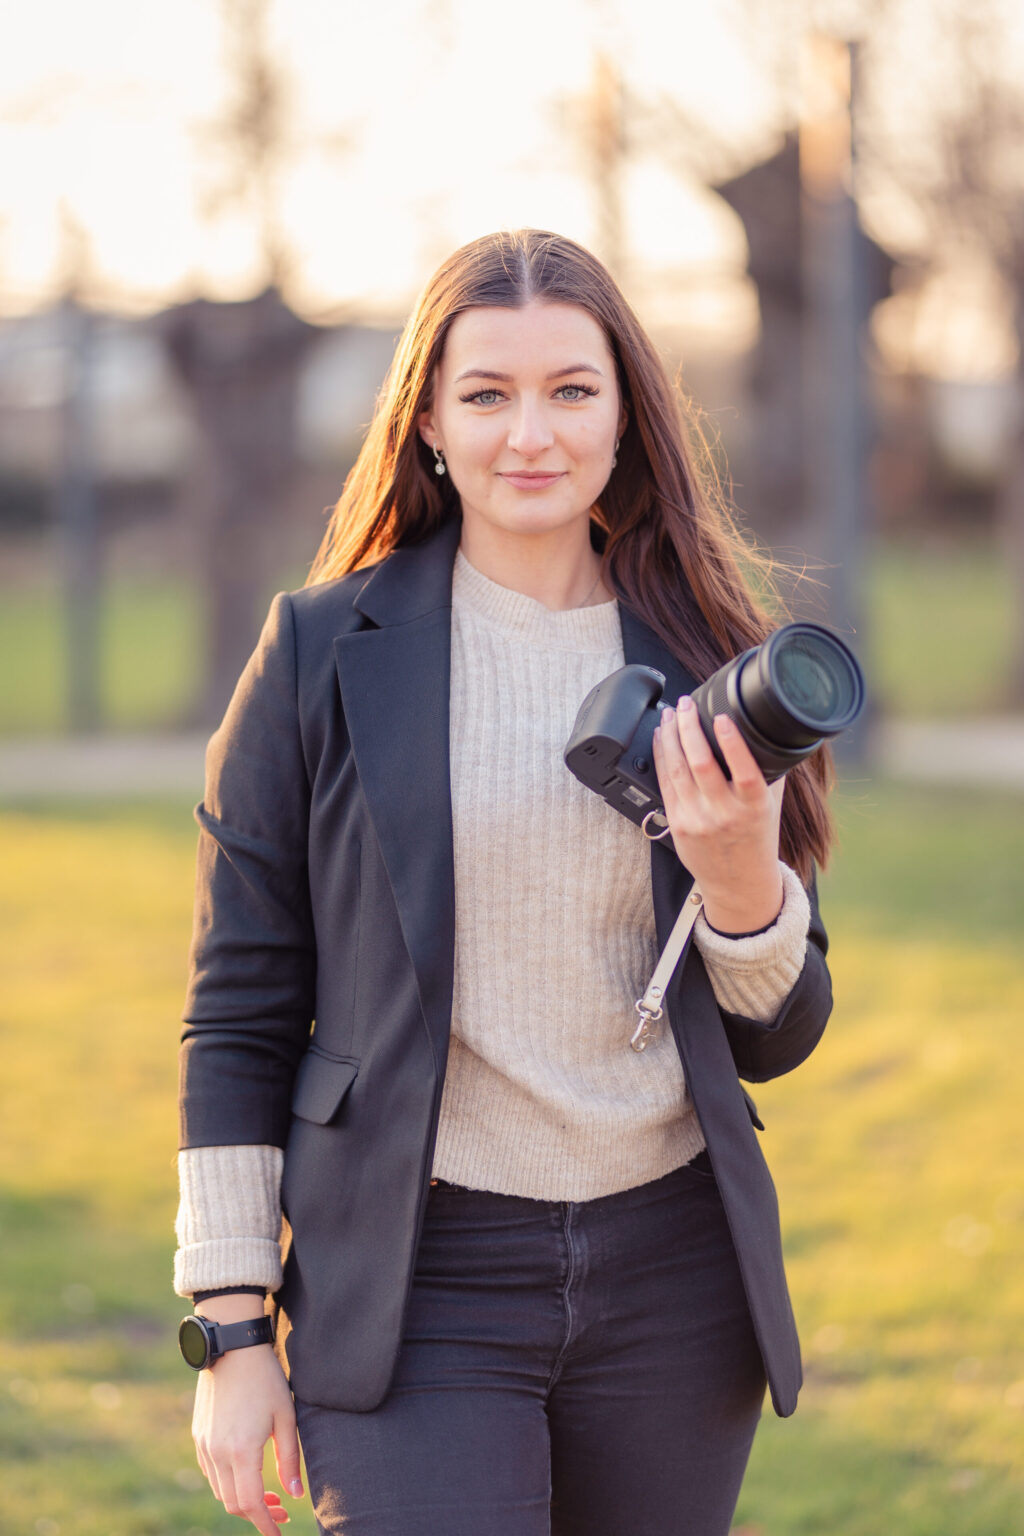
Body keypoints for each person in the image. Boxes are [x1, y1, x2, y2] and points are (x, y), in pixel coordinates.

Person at [174, 228, 834, 1536]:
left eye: (570, 390)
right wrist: (232, 1330)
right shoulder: (318, 653)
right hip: (418, 1284)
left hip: (674, 1280)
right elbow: (238, 1010)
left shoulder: (714, 657)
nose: (529, 432)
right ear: (427, 420)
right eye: (487, 394)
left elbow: (782, 1033)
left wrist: (743, 884)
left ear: (627, 417)